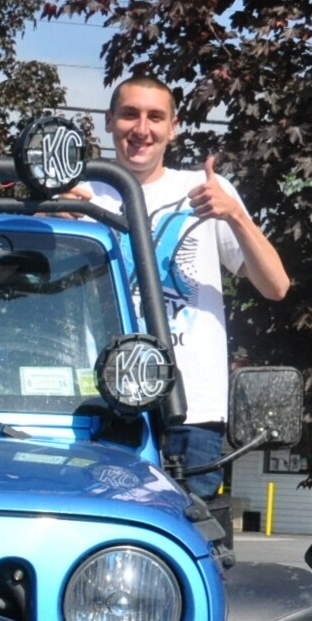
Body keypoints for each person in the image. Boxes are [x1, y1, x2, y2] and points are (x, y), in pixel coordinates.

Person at [70, 75, 289, 495]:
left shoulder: (206, 191)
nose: (142, 129)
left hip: (191, 413)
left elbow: (276, 286)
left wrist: (233, 215)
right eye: (130, 115)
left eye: (155, 117)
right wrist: (50, 219)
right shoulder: (81, 194)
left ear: (173, 128)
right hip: (98, 406)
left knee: (188, 528)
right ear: (109, 120)